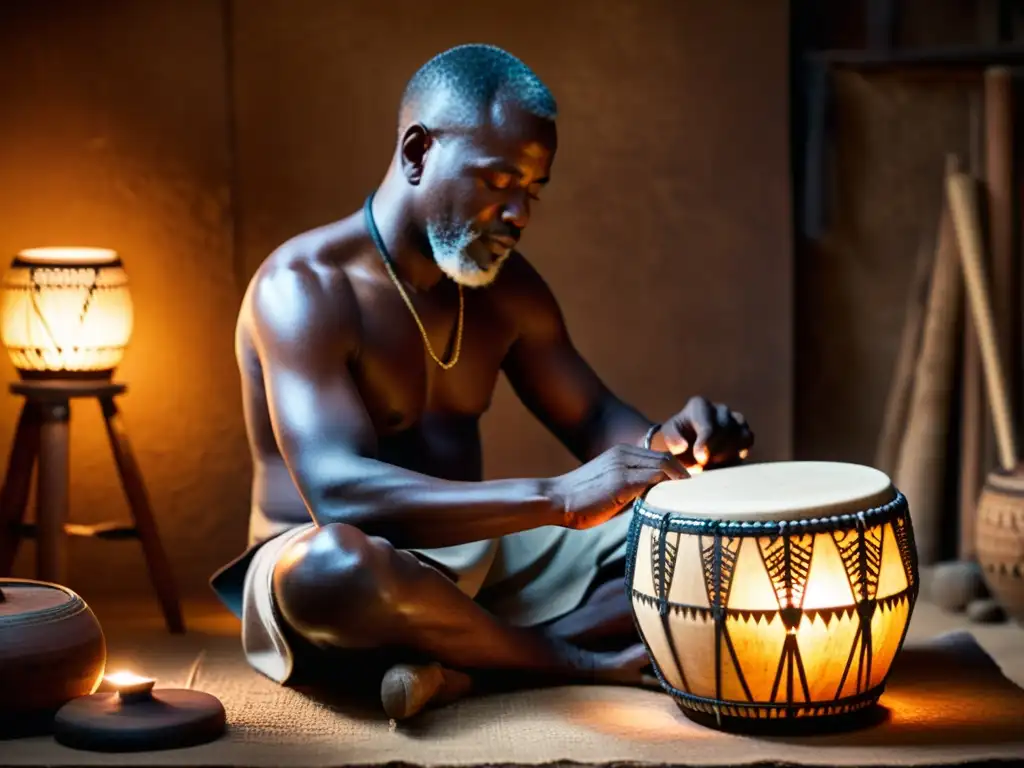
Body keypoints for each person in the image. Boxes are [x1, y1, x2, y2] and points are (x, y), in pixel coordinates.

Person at [210, 43, 754, 721]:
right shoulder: (303, 289)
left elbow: (592, 419)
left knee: (722, 537)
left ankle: (466, 665)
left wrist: (671, 447)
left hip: (484, 560)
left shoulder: (506, 291)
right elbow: (339, 495)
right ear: (416, 154)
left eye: (532, 189)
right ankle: (566, 659)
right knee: (335, 575)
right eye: (498, 181)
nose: (520, 214)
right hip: (336, 560)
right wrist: (558, 497)